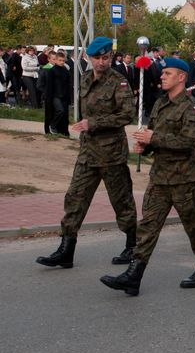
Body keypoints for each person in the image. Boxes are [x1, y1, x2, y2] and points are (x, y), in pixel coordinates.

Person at [100, 57, 195, 296]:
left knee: (194, 226)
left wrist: (154, 140)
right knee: (148, 227)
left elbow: (188, 142)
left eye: (168, 73)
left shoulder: (190, 107)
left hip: (184, 178)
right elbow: (153, 134)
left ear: (181, 77)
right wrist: (146, 145)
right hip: (161, 176)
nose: (162, 76)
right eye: (162, 74)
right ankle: (134, 275)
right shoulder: (160, 104)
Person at [35, 37, 137, 269]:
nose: (101, 62)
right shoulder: (85, 78)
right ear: (89, 59)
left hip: (111, 153)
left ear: (110, 57)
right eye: (97, 58)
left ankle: (132, 245)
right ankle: (66, 249)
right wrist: (84, 125)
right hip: (88, 152)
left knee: (121, 201)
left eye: (105, 57)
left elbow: (126, 115)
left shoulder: (119, 82)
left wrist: (94, 123)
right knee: (75, 198)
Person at [45, 51, 71, 136]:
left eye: (63, 60)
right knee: (60, 110)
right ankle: (52, 125)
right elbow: (49, 85)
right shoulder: (52, 71)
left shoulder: (65, 70)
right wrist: (48, 98)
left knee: (64, 114)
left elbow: (68, 84)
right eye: (60, 60)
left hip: (63, 96)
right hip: (55, 95)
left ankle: (62, 130)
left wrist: (68, 97)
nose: (62, 62)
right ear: (55, 60)